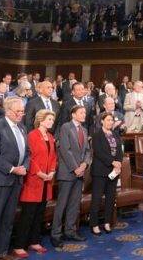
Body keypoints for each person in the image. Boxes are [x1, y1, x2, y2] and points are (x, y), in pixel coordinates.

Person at [0, 96, 30, 260]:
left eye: (22, 111)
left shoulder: (21, 127)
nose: (21, 114)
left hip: (16, 180)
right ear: (8, 111)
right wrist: (12, 169)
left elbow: (27, 152)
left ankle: (1, 253)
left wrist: (24, 167)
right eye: (18, 111)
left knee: (8, 220)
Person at [13, 109, 57, 257]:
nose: (51, 122)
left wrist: (51, 171)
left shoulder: (50, 137)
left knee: (39, 214)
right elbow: (29, 157)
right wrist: (39, 173)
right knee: (28, 215)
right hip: (33, 180)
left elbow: (53, 157)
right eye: (49, 119)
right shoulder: (32, 135)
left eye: (52, 119)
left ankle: (34, 241)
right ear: (40, 120)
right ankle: (19, 245)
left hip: (46, 181)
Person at [51, 105, 92, 247]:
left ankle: (70, 231)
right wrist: (76, 168)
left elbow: (87, 151)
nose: (84, 114)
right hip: (67, 172)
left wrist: (84, 165)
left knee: (74, 205)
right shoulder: (65, 127)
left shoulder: (85, 130)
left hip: (80, 173)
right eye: (81, 112)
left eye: (85, 112)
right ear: (73, 114)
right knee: (61, 205)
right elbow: (65, 150)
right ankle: (56, 234)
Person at [89, 112, 123, 235]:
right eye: (108, 120)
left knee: (110, 198)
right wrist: (113, 162)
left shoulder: (115, 134)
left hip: (114, 171)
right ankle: (94, 224)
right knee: (97, 199)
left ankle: (107, 222)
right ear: (102, 121)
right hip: (100, 171)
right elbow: (98, 152)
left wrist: (118, 162)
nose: (110, 122)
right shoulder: (97, 134)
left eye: (111, 120)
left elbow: (120, 150)